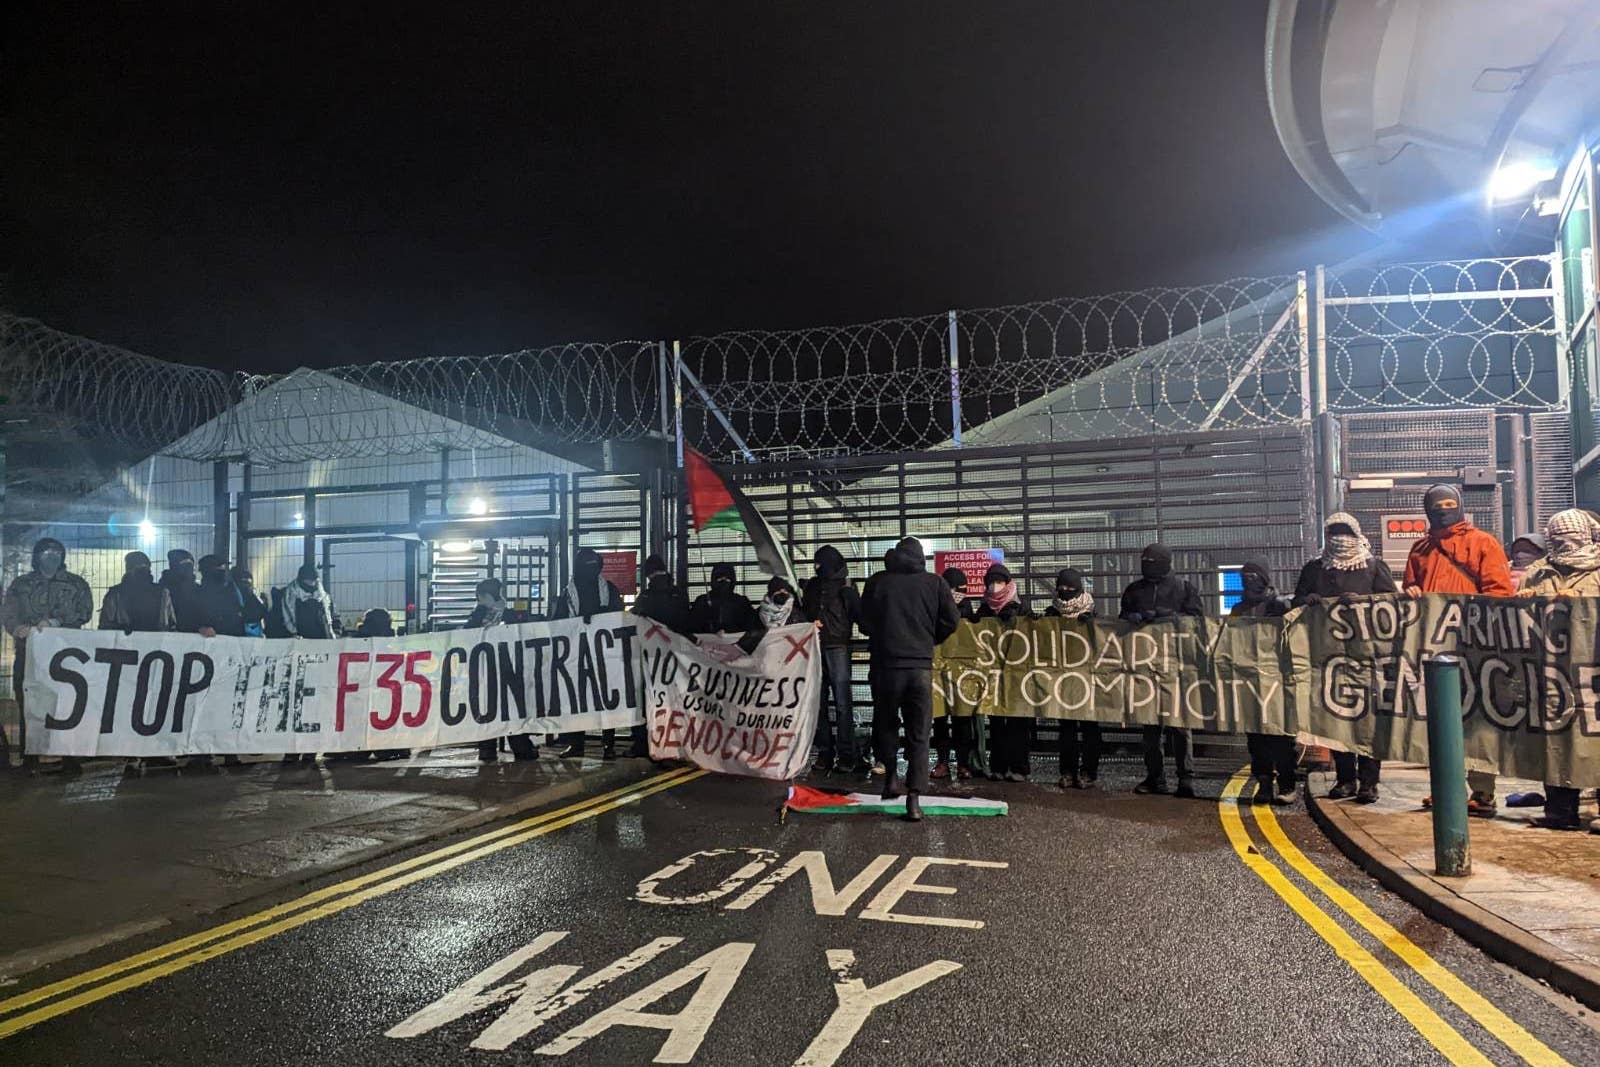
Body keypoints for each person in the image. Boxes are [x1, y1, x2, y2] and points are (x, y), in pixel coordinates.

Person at [1404, 484, 1514, 816]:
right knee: (1439, 720)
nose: (1444, 510)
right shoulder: (1420, 549)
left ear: (1461, 506)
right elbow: (1413, 587)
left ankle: (1482, 793)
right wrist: (1410, 592)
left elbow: (1499, 593)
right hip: (1435, 649)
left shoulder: (1482, 543)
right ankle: (1445, 788)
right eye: (1437, 505)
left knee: (1477, 720)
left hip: (1475, 647)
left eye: (1450, 504)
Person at [1293, 513, 1397, 803]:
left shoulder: (1374, 567)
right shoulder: (1314, 569)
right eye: (1333, 532)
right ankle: (1345, 779)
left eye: (1345, 531)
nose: (1339, 538)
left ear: (1356, 534)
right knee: (1337, 720)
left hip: (1366, 658)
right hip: (1328, 658)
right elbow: (1296, 602)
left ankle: (1369, 782)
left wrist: (1365, 602)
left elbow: (1392, 603)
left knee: (1368, 722)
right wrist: (1308, 600)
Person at [859, 537, 960, 821]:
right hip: (919, 668)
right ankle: (914, 799)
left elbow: (864, 623)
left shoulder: (878, 582)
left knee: (886, 723)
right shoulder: (935, 583)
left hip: (886, 666)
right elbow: (952, 621)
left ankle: (891, 777)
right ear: (921, 558)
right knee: (919, 732)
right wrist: (929, 639)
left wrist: (883, 634)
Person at [1516, 511, 1600, 829]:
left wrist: (1576, 601)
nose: (1566, 542)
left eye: (1572, 534)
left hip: (1591, 668)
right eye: (1559, 535)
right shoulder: (1538, 572)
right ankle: (1559, 811)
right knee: (1555, 740)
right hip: (1550, 671)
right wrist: (1523, 602)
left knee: (1594, 738)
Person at [1, 538, 94, 773]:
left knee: (66, 704)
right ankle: (29, 757)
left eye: (55, 552)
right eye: (45, 552)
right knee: (28, 704)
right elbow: (9, 612)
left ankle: (69, 757)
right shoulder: (22, 584)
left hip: (66, 655)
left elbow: (84, 612)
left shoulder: (76, 584)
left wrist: (58, 622)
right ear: (36, 556)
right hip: (29, 653)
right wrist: (17, 628)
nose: (50, 556)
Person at [1120, 543, 1203, 797]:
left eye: (1151, 561)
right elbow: (1122, 619)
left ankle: (1185, 779)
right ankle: (1155, 777)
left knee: (1180, 726)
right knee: (1150, 728)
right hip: (1146, 668)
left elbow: (1198, 621)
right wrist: (1131, 617)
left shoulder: (1183, 588)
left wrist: (1171, 616)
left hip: (1176, 668)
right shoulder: (1135, 590)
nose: (1147, 565)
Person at [1230, 561, 1295, 805]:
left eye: (1253, 576)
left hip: (1277, 680)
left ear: (1264, 578)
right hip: (1250, 682)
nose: (1248, 581)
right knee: (1256, 738)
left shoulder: (1280, 605)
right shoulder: (1238, 609)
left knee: (1281, 736)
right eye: (1244, 577)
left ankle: (1287, 784)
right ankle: (1264, 783)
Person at [554, 547, 625, 760]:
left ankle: (608, 744)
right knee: (579, 700)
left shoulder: (605, 589)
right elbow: (558, 622)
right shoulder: (571, 591)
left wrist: (598, 617)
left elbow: (618, 615)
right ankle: (579, 744)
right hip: (578, 652)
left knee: (606, 698)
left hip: (604, 652)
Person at [464, 578, 541, 763]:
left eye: (480, 596)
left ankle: (494, 748)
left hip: (496, 670)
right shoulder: (493, 615)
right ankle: (515, 748)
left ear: (486, 596)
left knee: (492, 709)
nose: (478, 599)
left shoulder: (505, 615)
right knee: (507, 710)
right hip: (499, 670)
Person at [802, 546, 861, 774]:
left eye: (820, 563)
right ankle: (831, 753)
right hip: (824, 646)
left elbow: (857, 614)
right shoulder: (819, 585)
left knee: (839, 703)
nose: (817, 567)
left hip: (833, 646)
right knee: (823, 703)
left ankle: (841, 754)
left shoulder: (844, 586)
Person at [977, 563, 1034, 782]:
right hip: (995, 676)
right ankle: (999, 766)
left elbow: (1032, 632)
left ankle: (1019, 767)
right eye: (991, 582)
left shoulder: (1021, 606)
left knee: (1018, 722)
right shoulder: (984, 609)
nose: (994, 587)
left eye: (999, 581)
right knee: (998, 722)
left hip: (1018, 676)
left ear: (1007, 583)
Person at [1045, 568, 1100, 790]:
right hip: (1064, 679)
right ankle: (1067, 772)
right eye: (1062, 587)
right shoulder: (1053, 611)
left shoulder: (1091, 611)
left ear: (1079, 588)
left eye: (1070, 587)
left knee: (1089, 728)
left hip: (1088, 679)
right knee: (1066, 728)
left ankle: (1088, 772)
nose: (1065, 591)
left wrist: (1092, 624)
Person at [932, 567, 979, 781]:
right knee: (940, 719)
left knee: (962, 720)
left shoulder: (970, 612)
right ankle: (943, 761)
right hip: (941, 673)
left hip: (960, 674)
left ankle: (962, 763)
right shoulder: (934, 608)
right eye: (954, 589)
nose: (959, 593)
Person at [99, 552, 177, 634]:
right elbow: (172, 625)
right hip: (157, 644)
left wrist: (120, 629)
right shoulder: (163, 592)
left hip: (124, 644)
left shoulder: (116, 593)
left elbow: (105, 625)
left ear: (128, 568)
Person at [689, 561, 759, 634]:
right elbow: (692, 626)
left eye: (727, 578)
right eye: (719, 578)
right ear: (713, 579)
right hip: (706, 643)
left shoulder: (741, 602)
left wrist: (729, 630)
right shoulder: (702, 601)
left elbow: (751, 625)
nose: (723, 581)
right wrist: (710, 629)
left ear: (733, 580)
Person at [633, 555, 692, 636]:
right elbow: (687, 620)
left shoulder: (645, 597)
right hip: (678, 642)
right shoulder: (680, 593)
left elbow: (636, 618)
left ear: (649, 575)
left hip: (652, 644)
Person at [282, 563, 336, 639]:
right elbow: (281, 624)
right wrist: (291, 636)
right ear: (301, 581)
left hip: (323, 643)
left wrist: (336, 632)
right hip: (299, 644)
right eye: (308, 581)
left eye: (314, 581)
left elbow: (334, 619)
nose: (312, 583)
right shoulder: (290, 597)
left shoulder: (324, 598)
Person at [160, 549, 205, 634]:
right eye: (183, 563)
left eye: (190, 563)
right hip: (168, 638)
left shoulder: (198, 589)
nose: (188, 567)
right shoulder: (163, 589)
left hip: (192, 640)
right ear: (173, 565)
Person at [231, 566, 269, 638]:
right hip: (244, 632)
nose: (247, 585)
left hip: (249, 631)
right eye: (244, 581)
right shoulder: (233, 594)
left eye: (248, 582)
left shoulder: (250, 596)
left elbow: (262, 611)